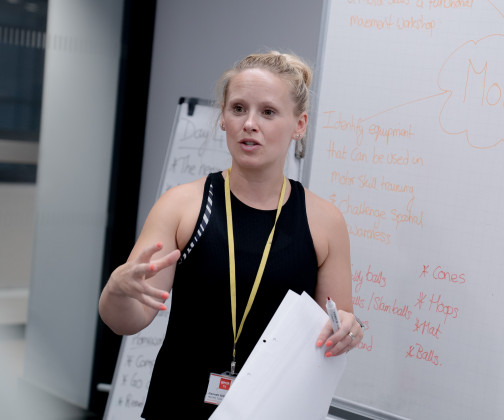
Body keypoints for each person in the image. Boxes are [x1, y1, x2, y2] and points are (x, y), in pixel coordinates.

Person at [98, 50, 364, 418]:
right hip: (177, 407)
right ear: (223, 117)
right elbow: (126, 320)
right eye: (238, 108)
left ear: (299, 124)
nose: (249, 123)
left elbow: (334, 328)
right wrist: (116, 289)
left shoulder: (325, 221)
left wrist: (348, 328)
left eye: (268, 112)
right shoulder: (181, 205)